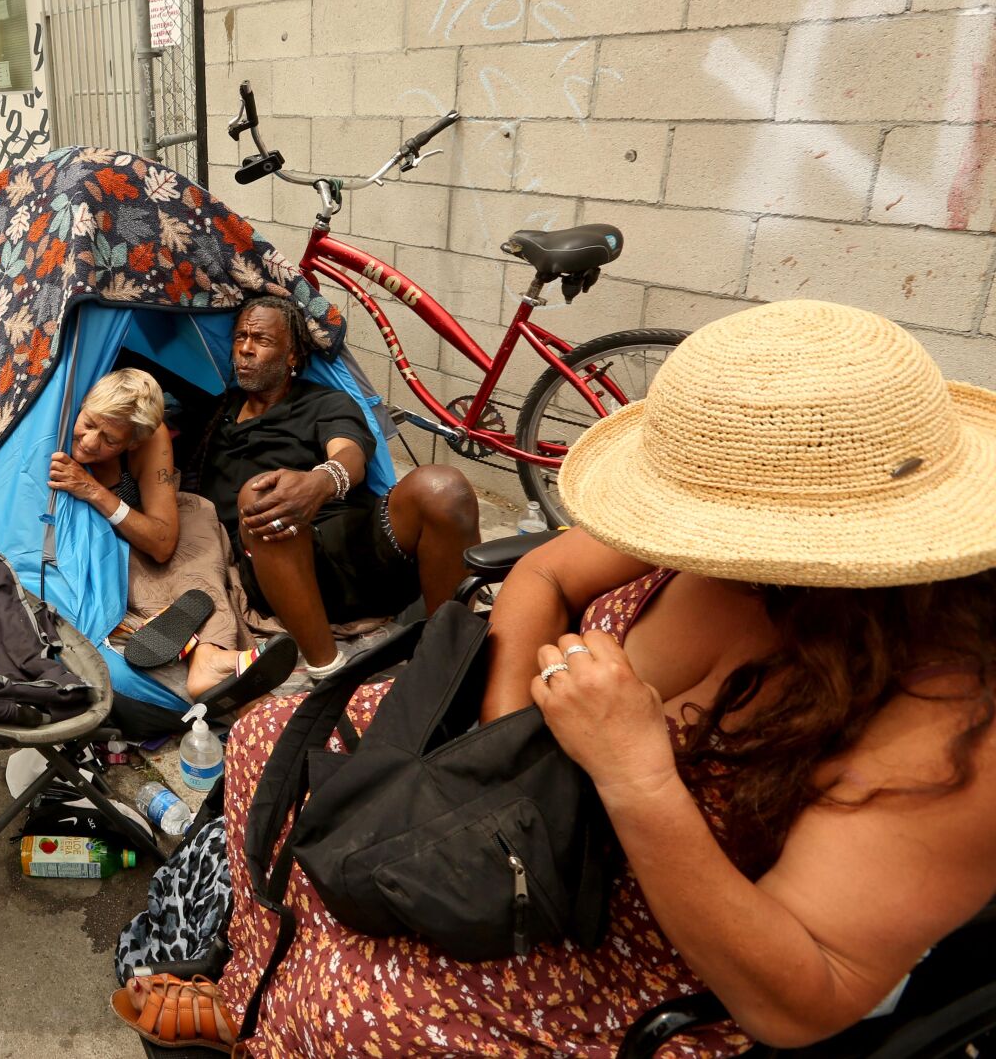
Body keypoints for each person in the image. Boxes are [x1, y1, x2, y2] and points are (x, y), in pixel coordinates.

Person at [112, 299, 996, 1056]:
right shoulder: (709, 523)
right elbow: (543, 575)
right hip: (531, 781)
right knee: (274, 740)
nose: (245, 352)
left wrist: (637, 773)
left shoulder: (948, 724)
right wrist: (492, 761)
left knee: (369, 996)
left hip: (627, 921)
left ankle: (278, 1011)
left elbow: (804, 996)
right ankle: (251, 981)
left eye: (264, 340)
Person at [188, 296, 480, 677]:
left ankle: (449, 660)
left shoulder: (324, 403)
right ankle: (327, 669)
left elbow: (350, 455)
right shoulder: (212, 413)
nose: (245, 348)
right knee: (264, 497)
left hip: (356, 553)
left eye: (261, 339)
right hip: (272, 568)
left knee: (444, 486)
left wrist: (319, 483)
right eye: (240, 337)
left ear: (292, 355)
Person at [52, 369, 269, 699]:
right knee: (126, 557)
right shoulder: (56, 418)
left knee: (197, 519)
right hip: (102, 543)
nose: (91, 441)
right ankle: (203, 651)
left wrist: (93, 490)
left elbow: (163, 543)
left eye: (110, 440)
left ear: (134, 441)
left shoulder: (149, 438)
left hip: (138, 531)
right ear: (83, 404)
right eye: (89, 423)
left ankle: (209, 652)